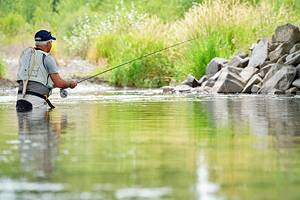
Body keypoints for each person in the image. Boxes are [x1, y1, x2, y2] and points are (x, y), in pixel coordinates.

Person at [16, 30, 77, 112]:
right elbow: (58, 83)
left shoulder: (26, 55)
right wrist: (70, 84)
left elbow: (36, 80)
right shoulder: (47, 58)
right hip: (36, 102)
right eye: (51, 42)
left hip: (20, 101)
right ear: (48, 44)